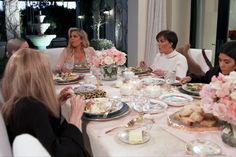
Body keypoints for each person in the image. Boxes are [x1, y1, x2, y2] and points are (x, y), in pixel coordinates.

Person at [1, 48, 87, 157]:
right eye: (47, 72)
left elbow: (45, 134)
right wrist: (75, 117)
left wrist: (55, 104)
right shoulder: (32, 108)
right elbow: (61, 153)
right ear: (39, 78)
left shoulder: (19, 103)